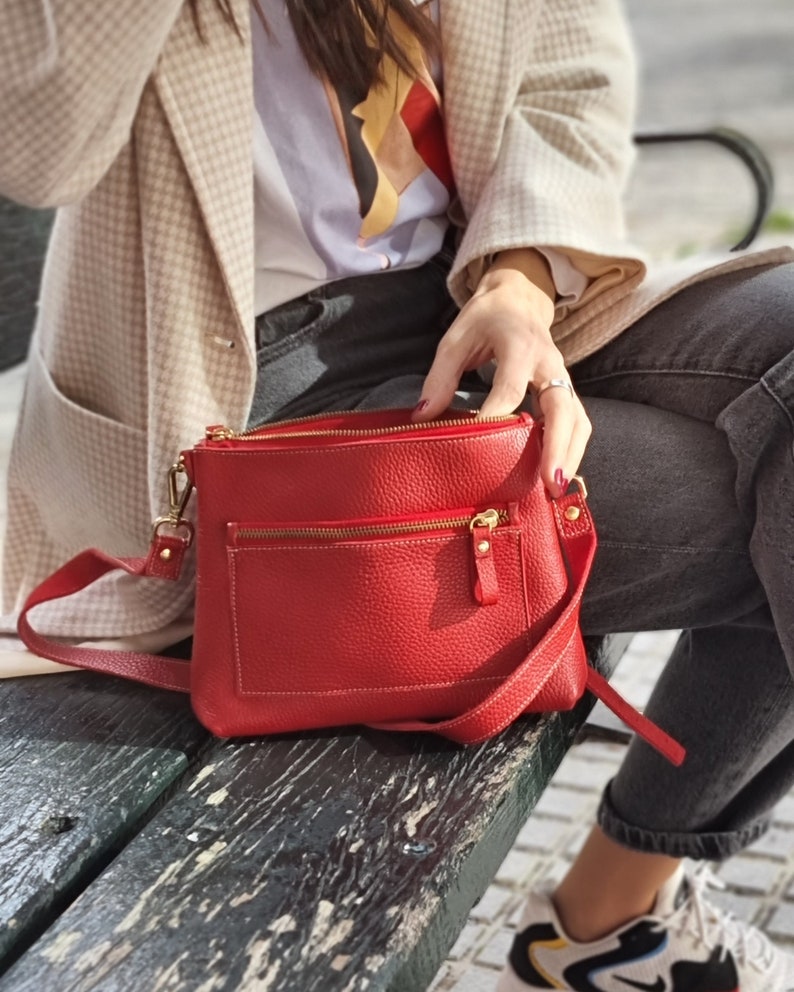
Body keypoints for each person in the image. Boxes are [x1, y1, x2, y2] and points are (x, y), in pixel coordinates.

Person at [0, 1, 792, 988]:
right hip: (254, 398)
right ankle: (610, 938)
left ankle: (611, 924)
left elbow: (564, 65)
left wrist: (518, 279)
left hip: (474, 298)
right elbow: (34, 138)